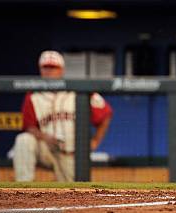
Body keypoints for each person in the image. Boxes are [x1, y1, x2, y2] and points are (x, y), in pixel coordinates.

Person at [12, 51, 112, 182]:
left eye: (53, 67)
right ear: (40, 69)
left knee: (75, 195)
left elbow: (106, 113)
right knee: (24, 140)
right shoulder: (33, 95)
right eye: (46, 67)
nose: (49, 71)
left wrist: (94, 141)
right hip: (46, 149)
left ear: (61, 70)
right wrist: (44, 137)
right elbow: (29, 127)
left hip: (71, 154)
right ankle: (22, 188)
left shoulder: (77, 90)